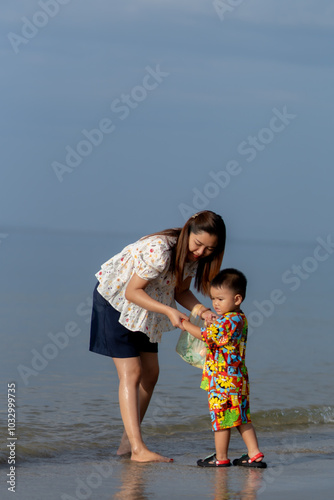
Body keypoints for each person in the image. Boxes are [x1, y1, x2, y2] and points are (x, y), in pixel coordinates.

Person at [89, 210, 226, 463]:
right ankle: (139, 450)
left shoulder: (194, 258)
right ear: (188, 232)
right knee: (132, 373)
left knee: (151, 373)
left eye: (210, 249)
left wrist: (202, 311)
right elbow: (131, 291)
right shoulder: (160, 250)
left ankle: (127, 444)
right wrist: (169, 312)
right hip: (116, 300)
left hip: (147, 304)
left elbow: (181, 291)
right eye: (198, 244)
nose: (200, 253)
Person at [180, 268, 267, 468]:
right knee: (241, 417)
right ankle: (254, 453)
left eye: (220, 299)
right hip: (237, 378)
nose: (215, 304)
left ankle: (221, 457)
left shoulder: (228, 321)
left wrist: (184, 324)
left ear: (237, 299)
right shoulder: (240, 318)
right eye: (213, 298)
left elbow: (205, 336)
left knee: (221, 419)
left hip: (223, 380)